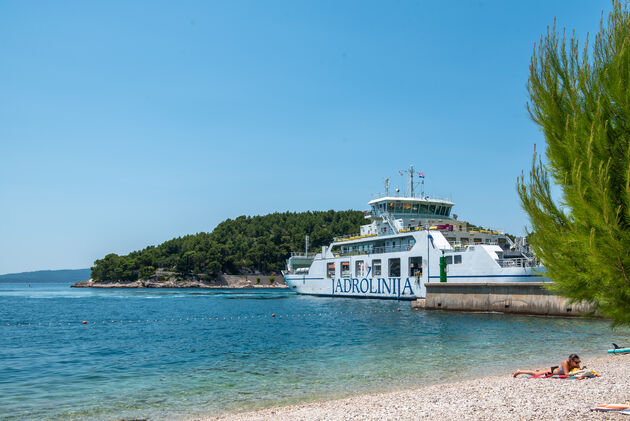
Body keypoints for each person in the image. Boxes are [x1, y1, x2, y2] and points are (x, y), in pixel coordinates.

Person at [512, 354, 585, 377]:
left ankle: (540, 370)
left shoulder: (575, 363)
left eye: (579, 362)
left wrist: (582, 370)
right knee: (535, 373)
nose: (578, 363)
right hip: (553, 370)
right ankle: (519, 371)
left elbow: (578, 370)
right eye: (576, 362)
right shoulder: (565, 363)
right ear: (571, 361)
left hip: (557, 368)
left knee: (541, 371)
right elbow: (566, 374)